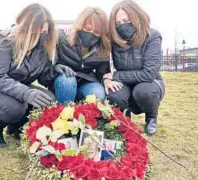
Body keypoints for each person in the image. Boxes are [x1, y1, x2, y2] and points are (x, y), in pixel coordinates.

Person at [0, 3, 71, 149]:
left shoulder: (41, 49)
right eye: (36, 32)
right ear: (26, 29)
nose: (41, 37)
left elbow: (43, 77)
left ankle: (15, 127)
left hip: (13, 85)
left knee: (47, 99)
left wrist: (55, 69)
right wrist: (26, 93)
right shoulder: (3, 42)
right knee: (15, 107)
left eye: (44, 32)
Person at [103, 0, 165, 136]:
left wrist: (116, 76)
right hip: (125, 83)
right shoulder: (114, 39)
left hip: (149, 83)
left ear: (136, 16)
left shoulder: (152, 36)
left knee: (143, 92)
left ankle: (151, 118)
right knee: (114, 93)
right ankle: (125, 122)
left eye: (126, 20)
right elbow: (100, 52)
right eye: (118, 23)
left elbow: (149, 73)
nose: (122, 25)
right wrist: (107, 80)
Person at [53, 7, 119, 104]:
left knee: (98, 93)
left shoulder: (102, 47)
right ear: (80, 25)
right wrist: (56, 67)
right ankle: (63, 113)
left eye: (96, 32)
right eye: (88, 29)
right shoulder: (62, 38)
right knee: (67, 81)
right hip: (64, 80)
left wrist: (106, 79)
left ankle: (81, 115)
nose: (91, 34)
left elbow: (102, 72)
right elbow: (50, 64)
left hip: (86, 80)